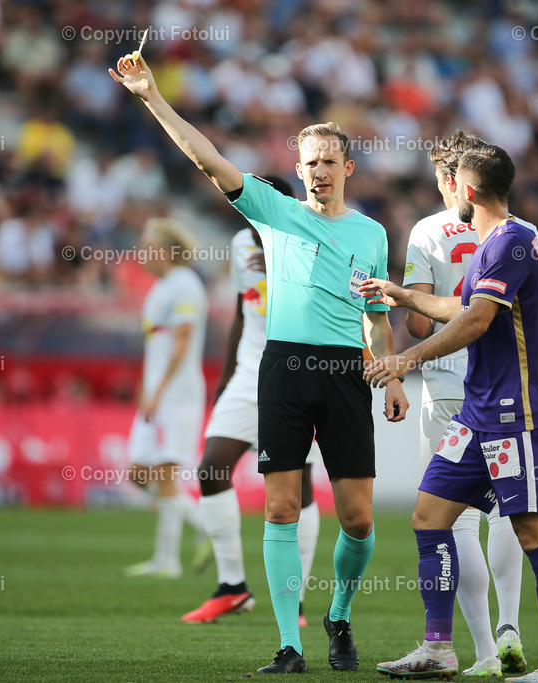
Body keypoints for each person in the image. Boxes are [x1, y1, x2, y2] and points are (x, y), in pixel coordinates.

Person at [110, 54, 409, 675]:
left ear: (347, 167)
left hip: (346, 376)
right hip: (285, 372)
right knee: (278, 506)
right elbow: (206, 158)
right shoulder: (275, 213)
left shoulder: (373, 235)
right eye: (309, 163)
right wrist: (151, 98)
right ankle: (289, 645)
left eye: (329, 161)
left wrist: (392, 371)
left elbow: (376, 316)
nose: (319, 171)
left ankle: (340, 615)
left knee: (357, 518)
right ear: (296, 172)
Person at [363, 146, 538, 683]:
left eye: (453, 180)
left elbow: (477, 321)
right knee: (429, 516)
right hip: (476, 414)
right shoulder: (492, 244)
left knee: (534, 531)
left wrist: (407, 358)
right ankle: (440, 647)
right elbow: (460, 309)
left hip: (517, 415)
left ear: (468, 190)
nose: (449, 188)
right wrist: (401, 295)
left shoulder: (514, 241)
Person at [182, 175, 322, 627]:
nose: (245, 207)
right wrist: (226, 378)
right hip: (248, 374)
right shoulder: (241, 243)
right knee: (212, 470)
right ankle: (232, 587)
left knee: (296, 486)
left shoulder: (309, 238)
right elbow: (244, 309)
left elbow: (323, 310)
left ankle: (293, 600)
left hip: (297, 374)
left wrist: (284, 266)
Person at [123, 219, 209, 579]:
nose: (141, 253)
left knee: (165, 473)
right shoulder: (162, 287)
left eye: (148, 245)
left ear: (168, 250)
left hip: (178, 395)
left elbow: (181, 344)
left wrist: (158, 391)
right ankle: (204, 523)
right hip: (160, 393)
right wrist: (147, 387)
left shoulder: (185, 285)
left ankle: (167, 560)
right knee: (138, 472)